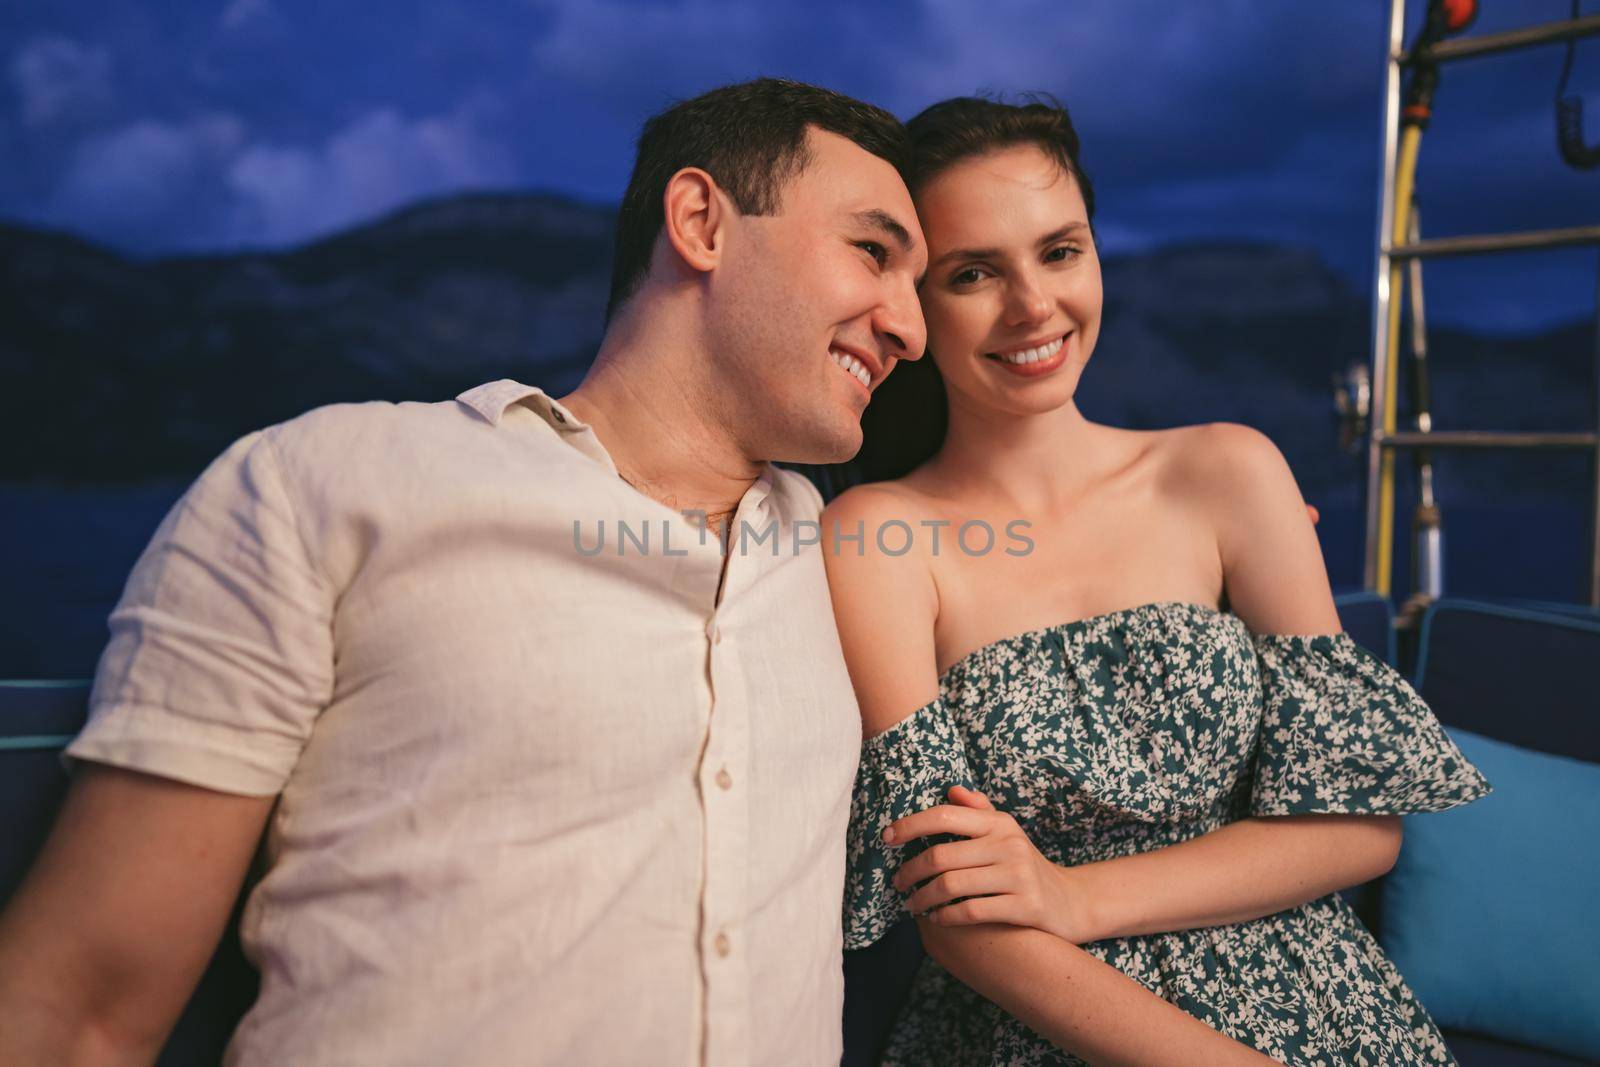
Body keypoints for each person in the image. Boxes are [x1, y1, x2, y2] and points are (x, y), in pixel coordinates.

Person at [0, 77, 931, 1066]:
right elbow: (81, 1012)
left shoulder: (857, 564)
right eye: (872, 251)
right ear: (701, 221)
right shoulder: (327, 486)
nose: (909, 328)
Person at [822, 95, 1492, 1066]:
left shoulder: (1225, 470)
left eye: (1059, 251)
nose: (1032, 306)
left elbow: (1355, 827)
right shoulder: (877, 534)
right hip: (1035, 1011)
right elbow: (953, 909)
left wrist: (1076, 894)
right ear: (913, 303)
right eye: (973, 273)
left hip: (1320, 1001)